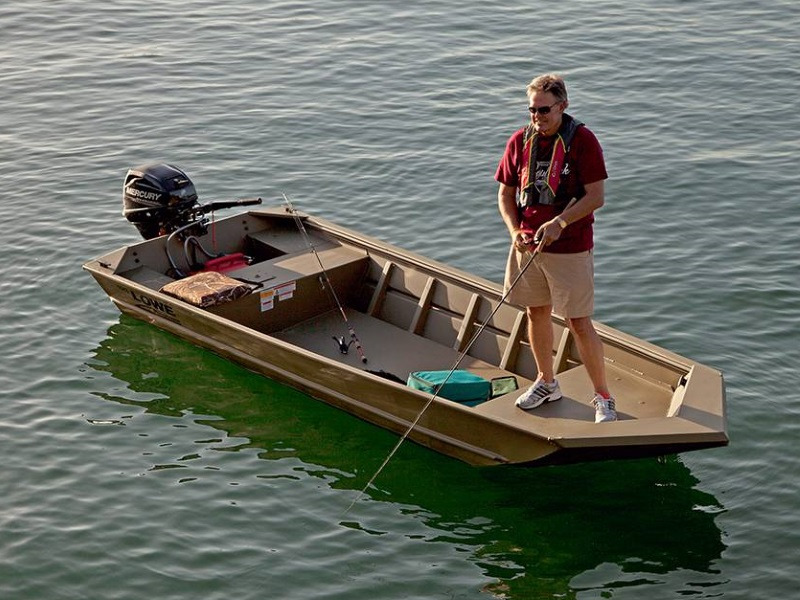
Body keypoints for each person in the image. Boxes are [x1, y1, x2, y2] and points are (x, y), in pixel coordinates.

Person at [495, 73, 616, 423]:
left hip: (570, 249)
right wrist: (514, 229)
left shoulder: (584, 141)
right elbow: (504, 193)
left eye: (544, 110)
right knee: (536, 312)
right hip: (528, 246)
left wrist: (560, 223)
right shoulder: (519, 141)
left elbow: (596, 197)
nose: (537, 117)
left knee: (578, 321)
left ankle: (603, 396)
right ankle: (547, 382)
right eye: (532, 110)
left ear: (563, 106)